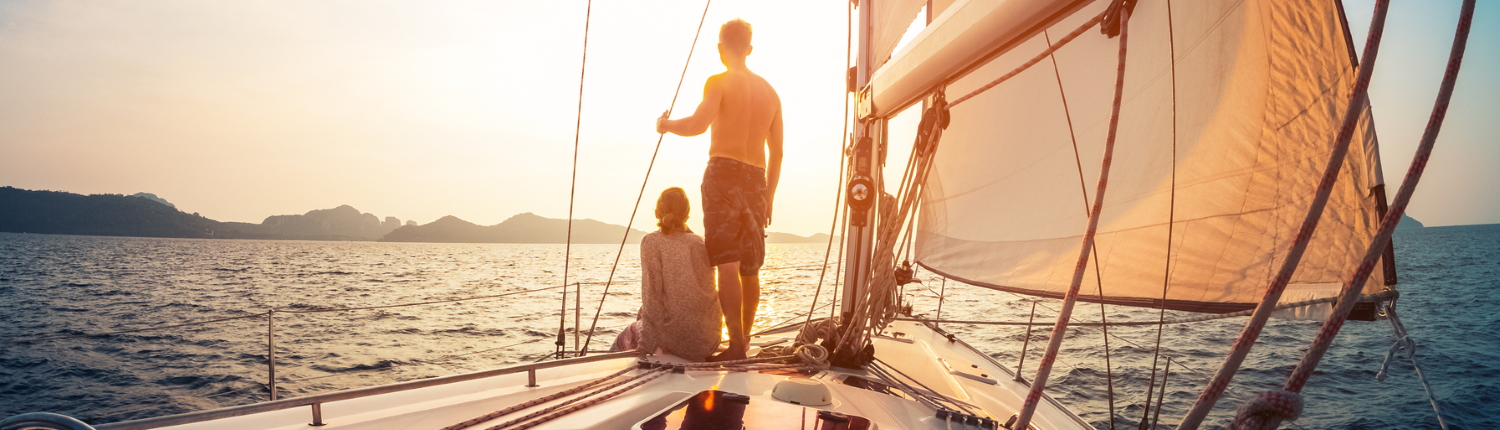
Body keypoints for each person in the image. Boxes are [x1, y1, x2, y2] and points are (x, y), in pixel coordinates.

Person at [656, 18, 782, 361]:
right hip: (757, 180)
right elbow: (779, 152)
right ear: (751, 49)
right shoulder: (771, 93)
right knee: (751, 268)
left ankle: (736, 346)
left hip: (724, 174)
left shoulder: (719, 81)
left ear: (720, 48)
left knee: (728, 265)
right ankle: (743, 341)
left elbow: (698, 125)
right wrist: (769, 195)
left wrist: (664, 125)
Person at [616, 187, 723, 362]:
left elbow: (652, 297)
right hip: (707, 340)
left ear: (657, 212)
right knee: (644, 313)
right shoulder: (701, 243)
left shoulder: (652, 242)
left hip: (676, 342)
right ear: (687, 216)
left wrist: (646, 347)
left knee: (627, 333)